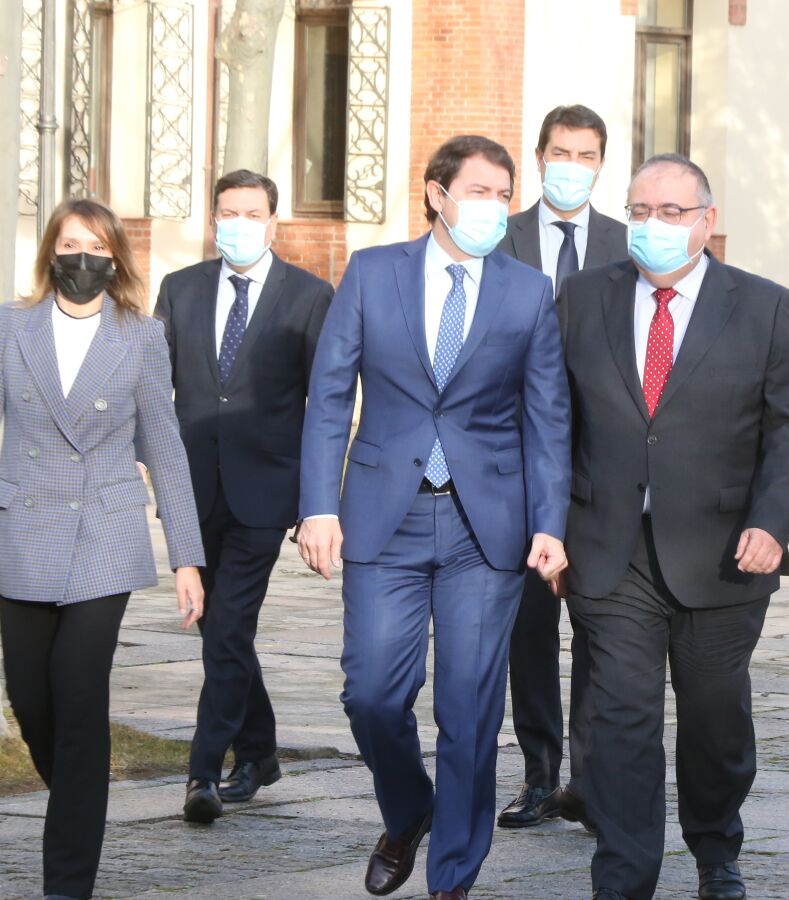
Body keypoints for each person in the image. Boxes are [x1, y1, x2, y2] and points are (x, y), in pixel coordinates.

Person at [296, 135, 572, 900]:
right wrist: (317, 506)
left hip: (487, 531)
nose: (493, 207)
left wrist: (550, 523)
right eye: (478, 191)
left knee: (469, 710)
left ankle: (453, 875)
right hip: (385, 518)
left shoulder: (528, 292)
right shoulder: (371, 272)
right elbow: (329, 397)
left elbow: (548, 417)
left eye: (503, 195)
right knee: (371, 694)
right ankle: (408, 807)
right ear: (436, 194)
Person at [558, 154, 789, 900]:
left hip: (725, 553)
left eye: (672, 212)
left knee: (714, 720)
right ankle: (623, 874)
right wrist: (548, 528)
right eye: (640, 211)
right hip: (609, 550)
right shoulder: (583, 297)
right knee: (621, 721)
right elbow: (552, 418)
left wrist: (771, 522)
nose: (654, 225)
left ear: (707, 221)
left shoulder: (764, 306)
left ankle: (714, 846)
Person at [0, 198, 206, 900]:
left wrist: (186, 557)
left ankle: (67, 882)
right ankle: (81, 797)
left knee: (79, 697)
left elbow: (165, 448)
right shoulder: (11, 325)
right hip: (22, 529)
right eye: (69, 244)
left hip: (104, 533)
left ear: (114, 258)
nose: (81, 257)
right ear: (50, 252)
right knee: (32, 700)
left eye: (95, 246)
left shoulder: (141, 336)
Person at [153, 170, 335, 823]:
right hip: (193, 488)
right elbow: (154, 388)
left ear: (273, 222)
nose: (238, 224)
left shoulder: (310, 296)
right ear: (212, 220)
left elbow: (325, 405)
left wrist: (317, 504)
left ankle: (202, 773)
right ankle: (259, 751)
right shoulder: (179, 289)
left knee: (229, 625)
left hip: (266, 491)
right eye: (228, 212)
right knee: (219, 630)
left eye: (252, 213)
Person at [494, 103, 629, 831]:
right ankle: (540, 775)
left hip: (602, 468)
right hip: (517, 464)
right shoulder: (500, 236)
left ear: (601, 163)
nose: (572, 166)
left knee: (604, 629)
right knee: (530, 631)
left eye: (586, 154)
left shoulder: (627, 243)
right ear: (540, 156)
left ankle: (591, 778)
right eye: (560, 152)